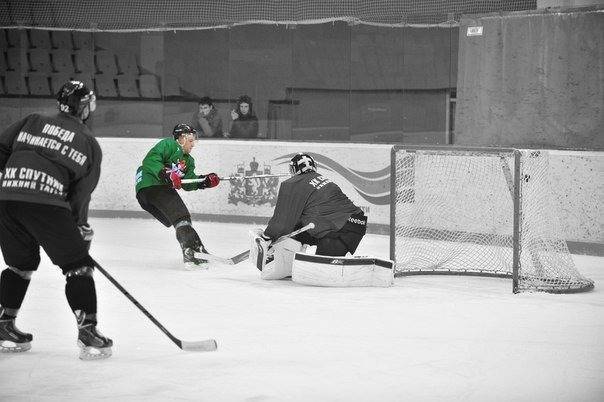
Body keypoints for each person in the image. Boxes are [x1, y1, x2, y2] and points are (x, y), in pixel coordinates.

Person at [0, 80, 112, 359]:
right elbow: (80, 195)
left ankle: (3, 326)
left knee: (19, 265)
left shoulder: (33, 120)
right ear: (84, 107)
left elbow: (1, 149)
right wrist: (78, 227)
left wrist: (14, 180)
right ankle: (88, 334)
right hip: (47, 203)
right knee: (78, 268)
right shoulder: (88, 142)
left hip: (7, 199)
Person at [135, 123, 220, 269]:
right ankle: (191, 253)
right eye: (191, 140)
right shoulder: (168, 144)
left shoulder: (188, 161)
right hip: (151, 184)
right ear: (181, 138)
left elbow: (187, 183)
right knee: (182, 217)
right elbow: (150, 161)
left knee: (178, 221)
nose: (193, 144)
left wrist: (204, 181)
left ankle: (197, 250)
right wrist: (165, 173)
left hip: (148, 196)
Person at [259, 153, 367, 257]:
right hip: (357, 224)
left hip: (336, 232)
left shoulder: (290, 184)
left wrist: (268, 236)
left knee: (322, 270)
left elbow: (282, 220)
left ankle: (282, 257)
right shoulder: (323, 179)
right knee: (295, 229)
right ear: (314, 166)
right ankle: (288, 257)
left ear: (293, 169)